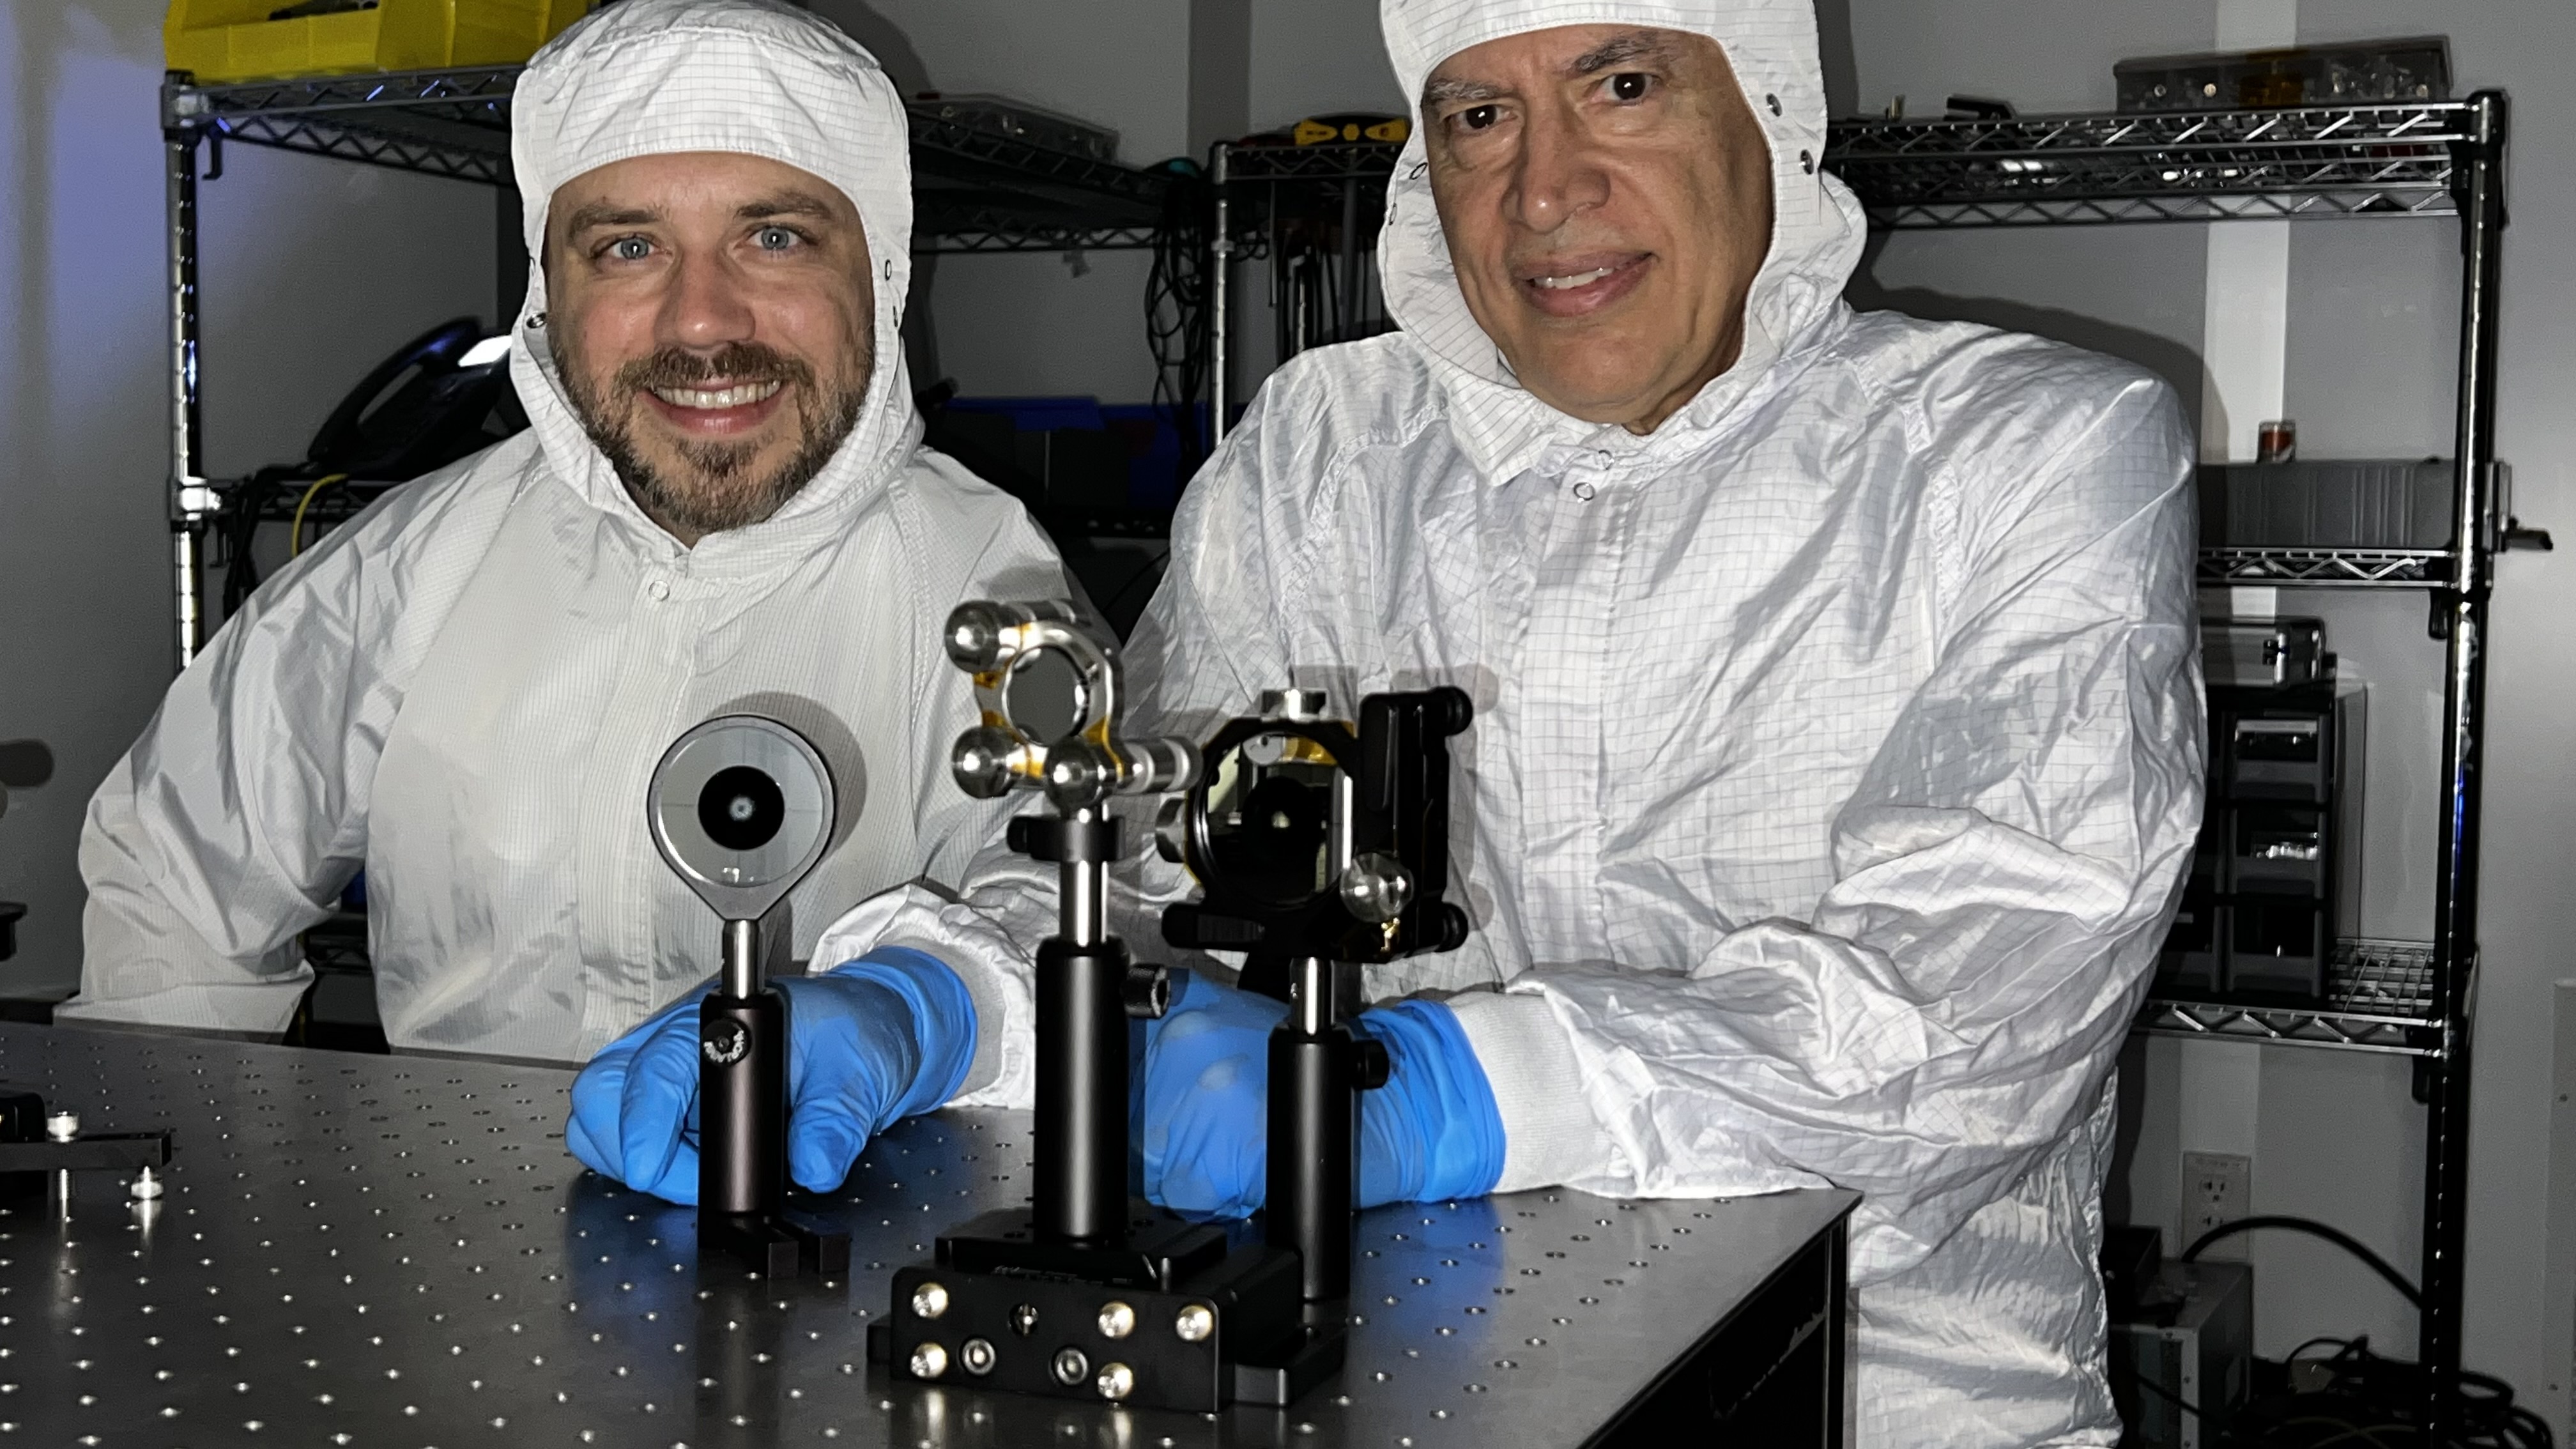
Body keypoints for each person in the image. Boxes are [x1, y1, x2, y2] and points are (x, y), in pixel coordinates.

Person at [587, 0, 2204, 1441]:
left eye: (1623, 84)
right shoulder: (1326, 452)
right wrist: (929, 1000)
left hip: (1875, 1387)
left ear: (1770, 120)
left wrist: (1435, 1089)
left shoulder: (2025, 457)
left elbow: (1982, 990)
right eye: (1477, 118)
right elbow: (1147, 858)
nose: (1544, 189)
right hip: (1398, 1378)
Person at [67, 0, 1051, 1200]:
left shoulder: (983, 583)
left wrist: (919, 999)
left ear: (882, 267)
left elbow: (1079, 901)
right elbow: (176, 884)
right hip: (446, 1291)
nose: (703, 321)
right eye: (628, 248)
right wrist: (186, 1193)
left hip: (854, 1276)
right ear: (549, 290)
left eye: (777, 237)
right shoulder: (415, 566)